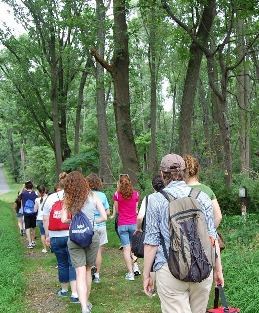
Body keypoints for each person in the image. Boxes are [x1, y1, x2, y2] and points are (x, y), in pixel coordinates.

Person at [143, 153, 224, 313]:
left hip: (169, 270)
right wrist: (218, 270)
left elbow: (151, 242)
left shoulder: (155, 200)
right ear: (185, 172)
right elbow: (212, 237)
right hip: (202, 268)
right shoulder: (203, 197)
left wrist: (147, 275)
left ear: (162, 174)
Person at [61, 171, 107, 313]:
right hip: (91, 237)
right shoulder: (93, 196)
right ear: (83, 182)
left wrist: (73, 222)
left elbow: (63, 220)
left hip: (74, 238)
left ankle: (83, 308)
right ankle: (86, 302)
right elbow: (104, 216)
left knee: (79, 272)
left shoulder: (68, 198)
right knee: (87, 270)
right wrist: (92, 221)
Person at [43, 173, 79, 304]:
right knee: (73, 263)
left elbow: (45, 218)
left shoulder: (51, 198)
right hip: (71, 234)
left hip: (55, 236)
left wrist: (47, 235)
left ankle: (64, 290)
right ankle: (75, 294)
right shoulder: (73, 196)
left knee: (62, 263)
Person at [112, 174, 140, 281]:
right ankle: (136, 267)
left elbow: (117, 210)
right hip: (133, 224)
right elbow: (136, 209)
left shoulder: (117, 195)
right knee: (133, 249)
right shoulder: (136, 194)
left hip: (122, 224)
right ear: (129, 182)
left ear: (119, 183)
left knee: (126, 249)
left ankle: (130, 273)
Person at [183, 154, 222, 228]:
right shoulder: (207, 190)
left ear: (182, 171)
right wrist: (209, 233)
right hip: (205, 236)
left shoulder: (178, 191)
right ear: (197, 170)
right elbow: (218, 216)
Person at [86, 173, 110, 283]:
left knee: (89, 251)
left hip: (89, 226)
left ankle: (89, 270)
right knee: (99, 252)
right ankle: (97, 275)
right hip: (101, 226)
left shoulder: (86, 195)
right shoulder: (102, 195)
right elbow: (108, 212)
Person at [20, 181, 38, 249]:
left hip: (26, 213)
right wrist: (35, 186)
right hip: (33, 213)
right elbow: (39, 193)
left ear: (25, 187)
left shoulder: (23, 194)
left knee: (27, 228)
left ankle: (30, 243)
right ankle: (33, 241)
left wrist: (23, 186)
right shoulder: (35, 193)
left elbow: (19, 194)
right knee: (33, 227)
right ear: (32, 186)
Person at [34, 185, 48, 253]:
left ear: (39, 192)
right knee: (49, 233)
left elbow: (35, 210)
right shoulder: (49, 198)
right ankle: (51, 247)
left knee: (42, 234)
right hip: (47, 218)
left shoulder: (37, 200)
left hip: (39, 218)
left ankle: (45, 249)